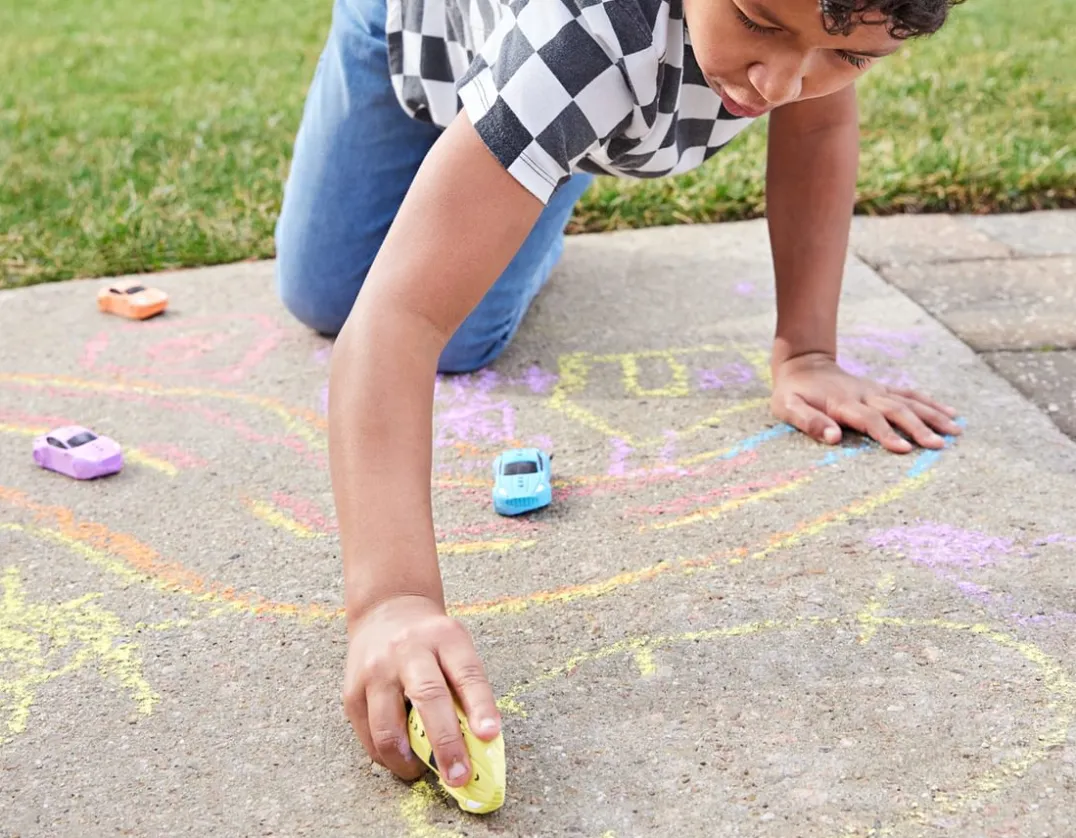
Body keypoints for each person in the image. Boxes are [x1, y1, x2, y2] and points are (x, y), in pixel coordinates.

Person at [274, 0, 965, 789]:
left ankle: (533, 156)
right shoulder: (583, 36)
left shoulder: (817, 21)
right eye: (758, 23)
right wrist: (391, 602)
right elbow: (395, 321)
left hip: (568, 87)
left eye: (849, 56)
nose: (780, 83)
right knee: (331, 296)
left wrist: (806, 352)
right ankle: (529, 152)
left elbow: (818, 124)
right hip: (413, 39)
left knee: (467, 321)